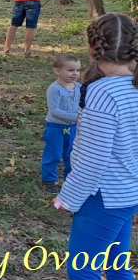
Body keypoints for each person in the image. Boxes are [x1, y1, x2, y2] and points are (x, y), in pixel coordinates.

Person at [55, 13, 138, 280]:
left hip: (103, 196)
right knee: (117, 268)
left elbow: (94, 158)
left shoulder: (102, 93)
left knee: (82, 271)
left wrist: (68, 196)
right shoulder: (132, 89)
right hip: (126, 193)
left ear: (92, 49)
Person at [41, 53, 81, 193]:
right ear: (57, 71)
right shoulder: (55, 89)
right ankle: (48, 179)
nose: (75, 73)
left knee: (72, 153)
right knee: (54, 153)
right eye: (70, 70)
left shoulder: (79, 87)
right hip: (55, 127)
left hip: (73, 128)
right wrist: (75, 117)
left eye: (77, 70)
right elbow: (54, 111)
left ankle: (69, 178)